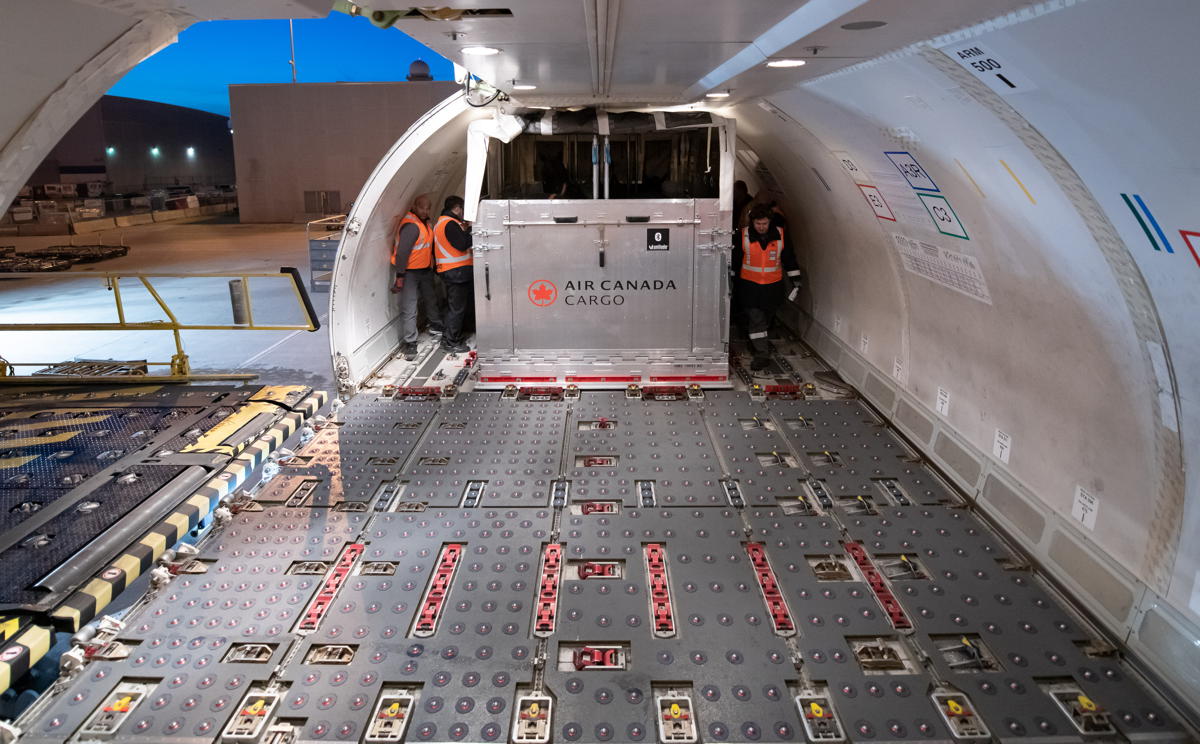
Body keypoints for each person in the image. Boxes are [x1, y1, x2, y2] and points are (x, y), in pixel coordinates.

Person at [733, 204, 801, 371]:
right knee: (758, 321)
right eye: (758, 224)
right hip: (750, 288)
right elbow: (735, 261)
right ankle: (762, 355)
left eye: (764, 223)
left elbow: (789, 259)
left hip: (773, 288)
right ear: (752, 222)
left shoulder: (781, 236)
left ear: (770, 222)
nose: (761, 227)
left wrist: (796, 280)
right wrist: (731, 280)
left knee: (766, 320)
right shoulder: (743, 236)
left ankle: (754, 342)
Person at [390, 194, 443, 361]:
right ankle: (410, 342)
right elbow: (402, 254)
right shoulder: (411, 226)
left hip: (424, 270)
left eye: (428, 208)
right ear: (414, 206)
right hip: (410, 273)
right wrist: (400, 276)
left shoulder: (425, 223)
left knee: (430, 298)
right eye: (422, 207)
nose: (425, 211)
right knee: (410, 306)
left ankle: (435, 325)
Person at [433, 195, 474, 353]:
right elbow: (462, 244)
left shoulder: (444, 222)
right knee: (456, 309)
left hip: (454, 271)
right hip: (455, 272)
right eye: (462, 209)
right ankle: (451, 342)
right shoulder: (449, 224)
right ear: (457, 208)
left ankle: (452, 336)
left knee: (456, 307)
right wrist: (470, 228)